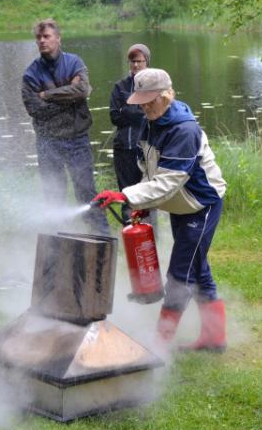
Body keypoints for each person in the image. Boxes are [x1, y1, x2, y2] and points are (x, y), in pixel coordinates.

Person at [93, 68, 227, 352]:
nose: (144, 106)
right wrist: (140, 203)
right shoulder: (151, 122)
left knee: (180, 275)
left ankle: (159, 346)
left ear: (167, 95)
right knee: (198, 269)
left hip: (201, 205)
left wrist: (124, 195)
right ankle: (215, 338)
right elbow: (150, 172)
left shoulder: (184, 130)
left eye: (150, 100)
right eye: (140, 101)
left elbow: (168, 182)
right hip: (182, 204)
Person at [21, 18, 110, 235]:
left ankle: (102, 236)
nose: (42, 41)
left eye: (47, 36)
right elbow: (36, 110)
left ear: (58, 38)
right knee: (53, 194)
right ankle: (55, 242)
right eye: (39, 38)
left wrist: (47, 95)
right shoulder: (30, 74)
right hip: (48, 143)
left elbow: (82, 91)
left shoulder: (73, 62)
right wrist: (68, 98)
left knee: (86, 190)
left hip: (77, 139)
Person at [109, 44, 150, 224]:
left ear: (146, 62)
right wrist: (137, 112)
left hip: (145, 148)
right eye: (132, 61)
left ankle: (150, 238)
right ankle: (129, 234)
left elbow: (151, 116)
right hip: (123, 148)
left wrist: (129, 110)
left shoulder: (152, 85)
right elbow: (114, 116)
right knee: (127, 195)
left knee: (146, 195)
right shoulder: (120, 86)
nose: (135, 65)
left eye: (139, 61)